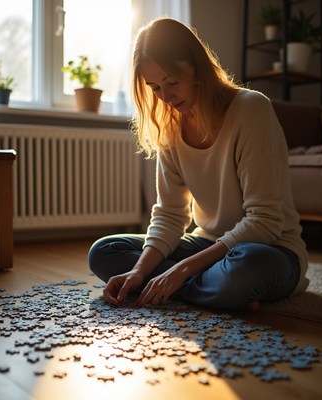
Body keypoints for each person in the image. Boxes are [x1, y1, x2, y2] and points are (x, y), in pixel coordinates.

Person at [89, 17, 308, 312]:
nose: (165, 97)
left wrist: (179, 271)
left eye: (172, 82)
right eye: (154, 87)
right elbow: (169, 214)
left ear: (196, 65)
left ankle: (208, 287)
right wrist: (139, 272)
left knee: (247, 266)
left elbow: (265, 222)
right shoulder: (169, 125)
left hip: (269, 249)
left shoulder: (251, 109)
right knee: (105, 251)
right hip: (206, 245)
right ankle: (219, 293)